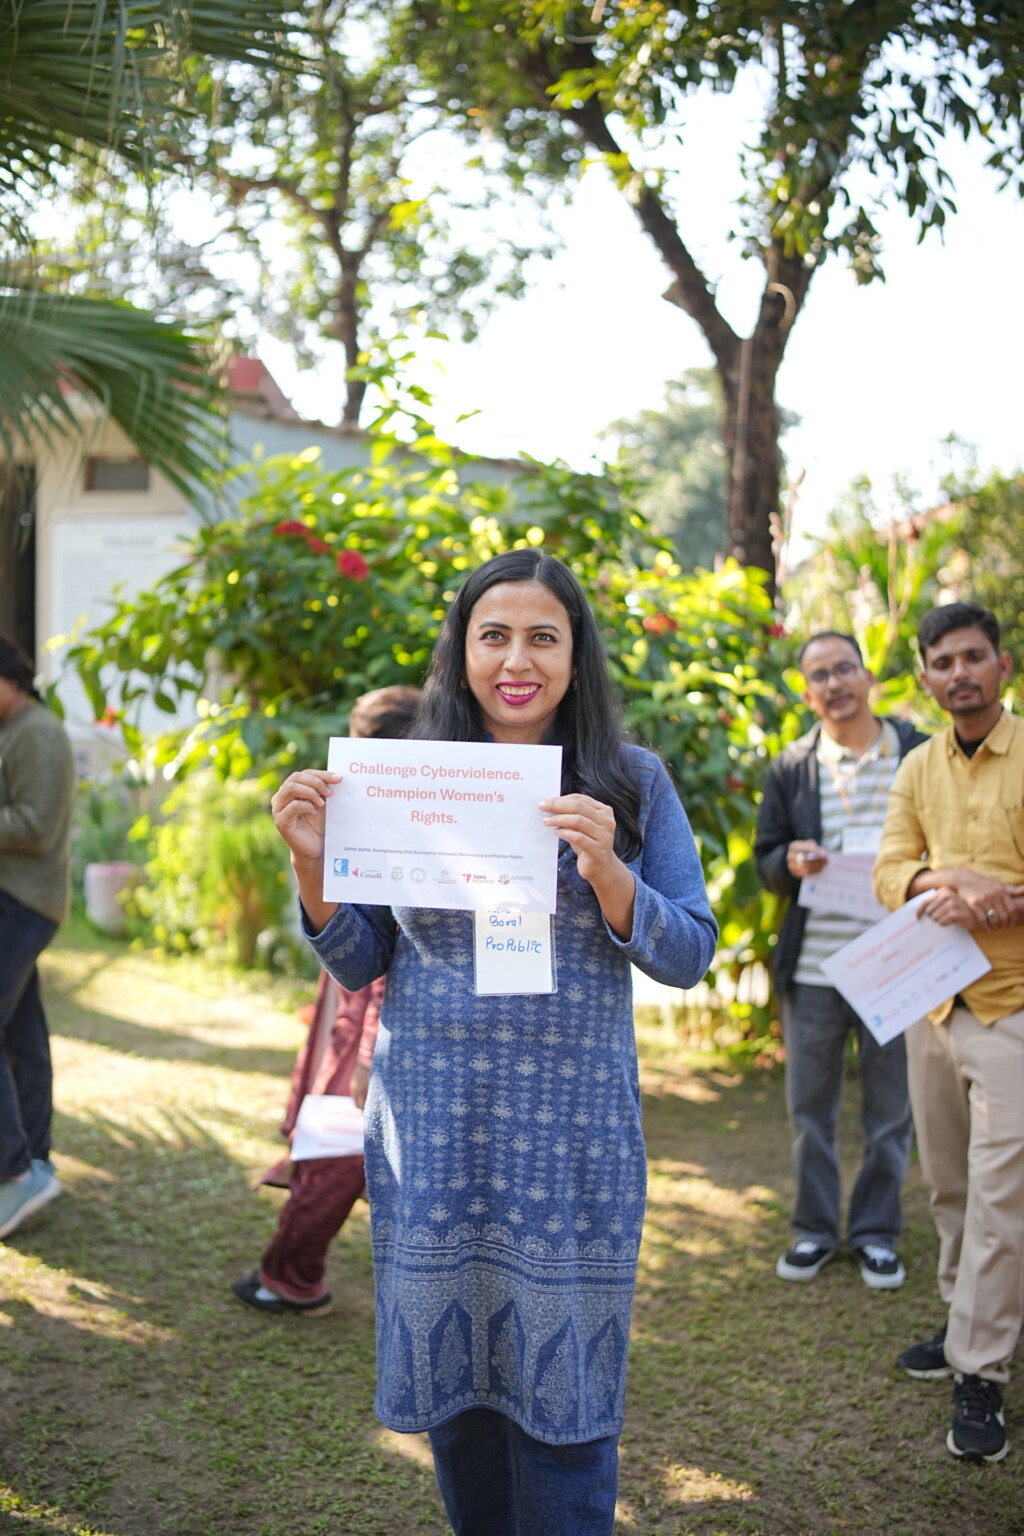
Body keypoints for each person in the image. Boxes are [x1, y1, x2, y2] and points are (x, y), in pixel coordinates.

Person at [271, 551, 717, 1535]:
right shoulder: (409, 780)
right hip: (434, 1133)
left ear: (576, 654)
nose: (518, 661)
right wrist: (313, 872)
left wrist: (611, 877)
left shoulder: (631, 781)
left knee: (567, 1400)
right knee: (458, 1397)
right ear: (461, 651)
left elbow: (690, 952)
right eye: (495, 636)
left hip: (570, 1141)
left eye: (543, 637)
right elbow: (360, 960)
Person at [874, 601, 1024, 1465]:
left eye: (974, 657)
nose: (960, 672)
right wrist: (952, 879)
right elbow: (891, 870)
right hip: (932, 1003)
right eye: (944, 661)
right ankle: (966, 1316)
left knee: (1003, 1195)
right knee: (949, 1187)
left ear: (1001, 665)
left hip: (1012, 1005)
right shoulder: (918, 765)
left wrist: (998, 903)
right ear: (927, 678)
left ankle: (981, 1369)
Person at [231, 685, 420, 1315]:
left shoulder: (408, 822)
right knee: (329, 1135)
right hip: (349, 1003)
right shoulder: (373, 812)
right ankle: (289, 1271)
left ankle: (291, 1276)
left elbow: (393, 959)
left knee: (335, 1147)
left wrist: (367, 1056)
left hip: (372, 1014)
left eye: (358, 744)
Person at [755, 631, 927, 1288]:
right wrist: (790, 861)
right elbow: (767, 858)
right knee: (810, 1112)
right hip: (815, 970)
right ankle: (815, 1231)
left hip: (899, 965)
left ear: (867, 675)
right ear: (808, 694)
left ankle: (878, 1234)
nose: (835, 683)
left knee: (891, 1113)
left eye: (844, 669)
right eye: (820, 675)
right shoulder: (792, 766)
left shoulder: (918, 752)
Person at [0, 635, 76, 1239]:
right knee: (23, 1034)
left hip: (24, 903)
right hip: (14, 900)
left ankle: (14, 1171)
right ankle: (35, 1162)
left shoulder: (40, 733)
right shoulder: (14, 729)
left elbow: (35, 826)